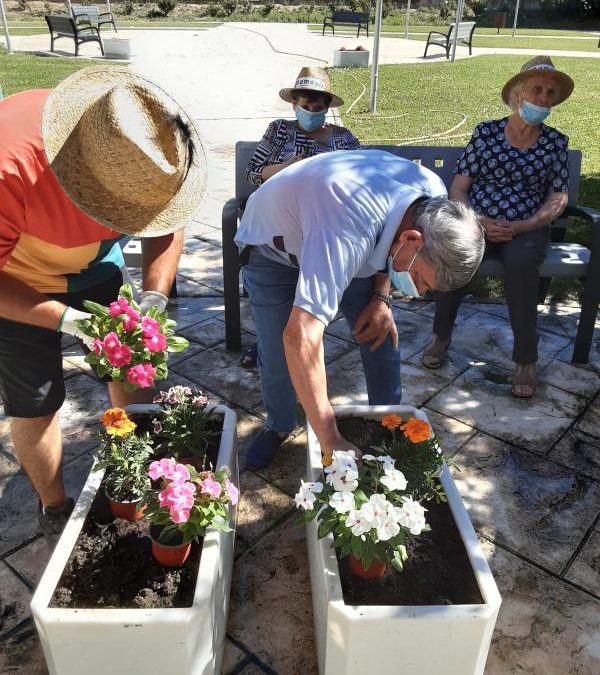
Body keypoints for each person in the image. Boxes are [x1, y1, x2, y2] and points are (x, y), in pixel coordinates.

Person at [0, 66, 206, 542]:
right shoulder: (11, 167)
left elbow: (166, 226)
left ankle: (130, 465)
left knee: (133, 371)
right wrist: (71, 321)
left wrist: (154, 297)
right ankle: (54, 508)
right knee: (35, 402)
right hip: (18, 278)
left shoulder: (155, 150)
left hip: (96, 267)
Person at [235, 149, 485, 469]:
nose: (419, 293)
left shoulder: (434, 198)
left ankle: (390, 423)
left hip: (332, 227)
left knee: (380, 331)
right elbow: (301, 337)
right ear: (412, 239)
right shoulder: (346, 227)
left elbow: (391, 231)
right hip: (274, 246)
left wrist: (382, 296)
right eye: (422, 280)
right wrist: (331, 439)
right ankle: (279, 425)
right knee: (278, 351)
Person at [421, 56, 573, 398]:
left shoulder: (555, 142)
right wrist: (476, 220)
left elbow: (559, 197)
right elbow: (460, 186)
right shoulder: (487, 132)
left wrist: (524, 225)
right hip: (479, 219)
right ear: (517, 94)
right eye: (537, 89)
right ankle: (441, 336)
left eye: (550, 92)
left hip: (528, 226)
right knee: (456, 254)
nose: (544, 98)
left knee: (521, 265)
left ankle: (525, 361)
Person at [241, 66, 360, 367]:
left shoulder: (343, 139)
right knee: (278, 273)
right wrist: (289, 167)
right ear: (294, 104)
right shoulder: (279, 130)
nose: (310, 113)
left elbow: (357, 181)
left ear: (327, 109)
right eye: (305, 106)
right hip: (280, 218)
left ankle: (304, 337)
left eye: (317, 108)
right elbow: (254, 173)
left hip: (325, 222)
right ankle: (271, 341)